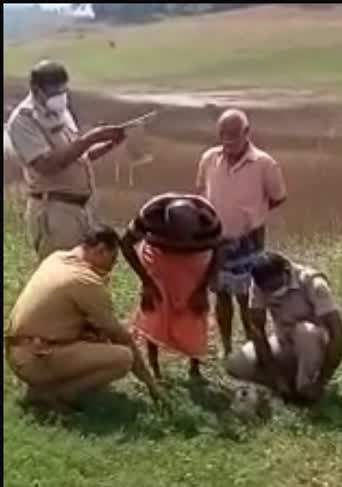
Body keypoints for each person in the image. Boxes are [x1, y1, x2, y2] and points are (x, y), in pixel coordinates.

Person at [4, 225, 160, 412]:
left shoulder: (56, 258)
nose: (112, 267)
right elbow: (120, 337)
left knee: (96, 336)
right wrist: (152, 386)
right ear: (100, 249)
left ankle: (44, 385)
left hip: (19, 352)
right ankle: (53, 396)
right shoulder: (84, 280)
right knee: (123, 357)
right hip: (34, 359)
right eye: (112, 259)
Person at [6, 60, 127, 261]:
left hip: (81, 210)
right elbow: (47, 165)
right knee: (62, 272)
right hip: (55, 213)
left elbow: (77, 157)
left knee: (86, 271)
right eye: (54, 91)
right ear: (36, 89)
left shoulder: (61, 111)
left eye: (63, 89)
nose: (60, 96)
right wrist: (91, 137)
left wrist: (108, 144)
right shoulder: (23, 121)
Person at [196, 109, 287, 357]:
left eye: (234, 137)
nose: (228, 142)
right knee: (221, 296)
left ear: (247, 133)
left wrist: (253, 214)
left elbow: (278, 197)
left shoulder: (265, 163)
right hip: (216, 240)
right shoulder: (208, 158)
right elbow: (202, 191)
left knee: (248, 299)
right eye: (223, 136)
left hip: (249, 241)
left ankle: (253, 348)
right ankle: (226, 348)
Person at [120, 193, 223, 380]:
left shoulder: (209, 219)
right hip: (159, 258)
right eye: (177, 235)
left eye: (186, 236)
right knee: (155, 310)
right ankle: (154, 367)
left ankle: (195, 368)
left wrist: (202, 288)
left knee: (194, 313)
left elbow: (219, 252)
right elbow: (126, 244)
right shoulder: (150, 214)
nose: (182, 241)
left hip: (194, 263)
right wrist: (147, 282)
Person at [224, 252, 342, 402]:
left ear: (286, 271)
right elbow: (257, 331)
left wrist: (322, 382)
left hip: (316, 341)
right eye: (268, 289)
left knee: (305, 332)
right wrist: (276, 378)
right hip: (285, 340)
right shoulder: (259, 285)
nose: (272, 291)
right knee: (236, 365)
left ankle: (308, 385)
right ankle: (286, 383)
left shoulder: (313, 283)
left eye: (275, 285)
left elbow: (339, 334)